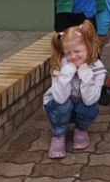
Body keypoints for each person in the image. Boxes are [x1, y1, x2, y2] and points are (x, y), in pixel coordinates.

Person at [43, 21, 106, 159]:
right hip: (58, 108)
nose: (72, 56)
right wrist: (67, 72)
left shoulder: (98, 69)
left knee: (90, 106)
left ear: (89, 47)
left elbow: (90, 100)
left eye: (77, 51)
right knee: (63, 104)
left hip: (81, 106)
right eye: (68, 53)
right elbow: (59, 99)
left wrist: (85, 75)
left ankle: (81, 130)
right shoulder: (60, 64)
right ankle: (58, 135)